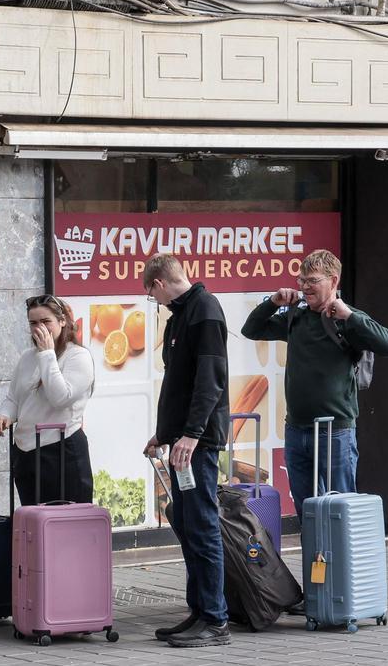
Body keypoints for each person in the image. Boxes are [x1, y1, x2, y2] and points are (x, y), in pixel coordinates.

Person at [240, 249, 388, 517]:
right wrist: (273, 303)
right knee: (307, 510)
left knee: (340, 508)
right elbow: (251, 330)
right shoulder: (296, 317)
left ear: (333, 281)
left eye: (312, 280)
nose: (304, 287)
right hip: (297, 429)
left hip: (335, 431)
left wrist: (350, 316)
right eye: (301, 280)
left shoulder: (348, 320)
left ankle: (342, 560)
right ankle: (313, 559)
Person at [141, 254, 232, 648]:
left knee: (202, 524)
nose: (154, 301)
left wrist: (192, 434)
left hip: (198, 442)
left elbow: (210, 379)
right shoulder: (181, 315)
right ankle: (199, 611)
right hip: (181, 441)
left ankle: (216, 619)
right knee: (188, 522)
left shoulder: (205, 310)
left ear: (160, 283)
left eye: (151, 294)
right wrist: (163, 434)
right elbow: (178, 384)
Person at [0, 294, 95, 505]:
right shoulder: (27, 357)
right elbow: (14, 397)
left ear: (62, 321)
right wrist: (5, 414)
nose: (40, 328)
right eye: (33, 323)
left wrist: (48, 354)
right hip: (26, 451)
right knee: (33, 523)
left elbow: (61, 397)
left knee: (64, 523)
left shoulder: (78, 356)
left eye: (46, 321)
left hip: (61, 448)